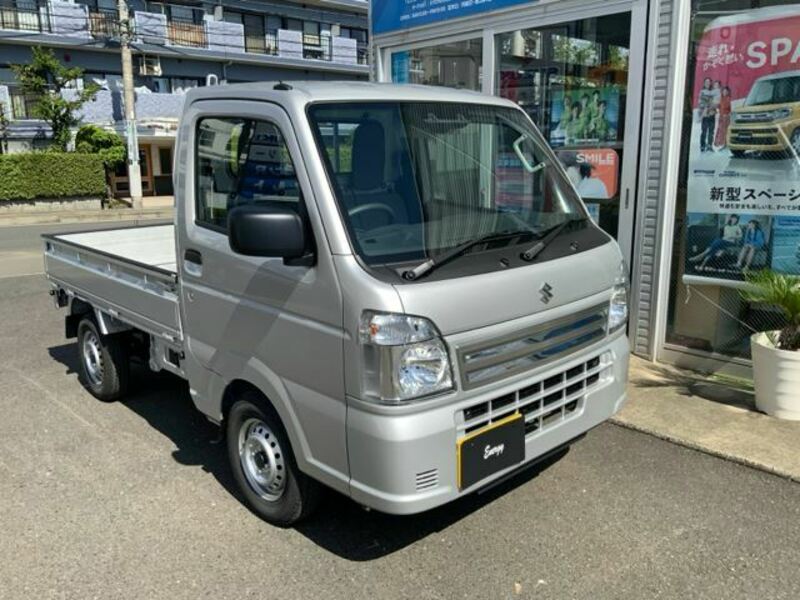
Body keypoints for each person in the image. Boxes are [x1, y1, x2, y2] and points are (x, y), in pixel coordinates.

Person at [698, 78, 716, 152]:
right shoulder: (702, 92)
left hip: (712, 114)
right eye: (706, 82)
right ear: (704, 83)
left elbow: (715, 101)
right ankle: (702, 146)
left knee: (711, 132)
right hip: (705, 115)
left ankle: (709, 146)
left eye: (709, 82)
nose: (708, 83)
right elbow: (700, 103)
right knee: (704, 131)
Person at [715, 85, 732, 150]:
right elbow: (720, 106)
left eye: (726, 91)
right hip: (721, 117)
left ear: (728, 92)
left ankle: (725, 144)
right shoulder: (721, 98)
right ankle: (722, 144)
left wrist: (726, 114)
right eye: (723, 91)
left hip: (725, 117)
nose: (724, 92)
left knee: (725, 131)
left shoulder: (728, 98)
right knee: (721, 130)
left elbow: (727, 108)